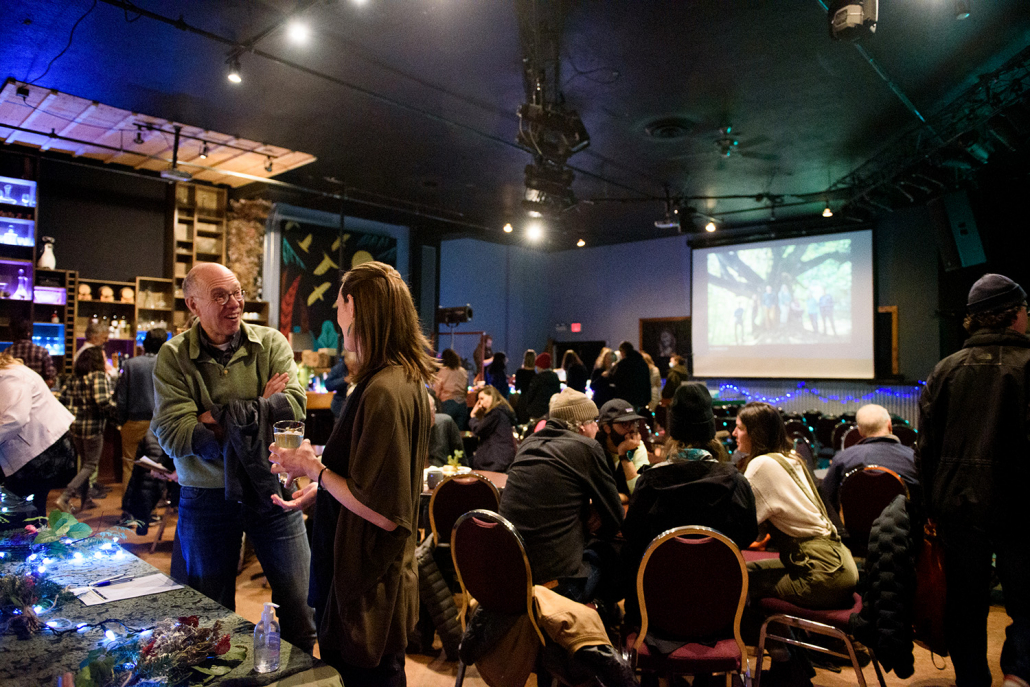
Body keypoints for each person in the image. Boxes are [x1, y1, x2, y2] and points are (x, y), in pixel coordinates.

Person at [268, 261, 434, 685]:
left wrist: (313, 468)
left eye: (338, 303)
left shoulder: (384, 390)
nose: (336, 314)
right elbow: (377, 480)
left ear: (354, 306)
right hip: (369, 579)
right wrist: (321, 490)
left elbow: (384, 511)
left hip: (366, 585)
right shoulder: (402, 379)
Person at [151, 262, 316, 653]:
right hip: (205, 495)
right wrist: (260, 405)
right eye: (220, 296)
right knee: (208, 618)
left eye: (237, 292)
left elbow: (292, 412)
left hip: (273, 489)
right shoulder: (173, 356)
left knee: (302, 607)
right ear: (193, 304)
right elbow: (176, 435)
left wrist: (214, 418)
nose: (235, 303)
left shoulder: (271, 343)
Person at [917, 273, 1030, 687]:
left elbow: (925, 450)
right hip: (1021, 507)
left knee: (964, 606)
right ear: (1014, 314)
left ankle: (972, 681)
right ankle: (1019, 672)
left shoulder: (945, 370)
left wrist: (929, 507)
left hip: (957, 507)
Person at [622, 382, 757, 617]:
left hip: (657, 611)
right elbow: (747, 537)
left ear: (673, 430)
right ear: (710, 429)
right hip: (720, 612)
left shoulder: (648, 483)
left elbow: (632, 535)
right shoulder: (736, 482)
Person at [499, 388, 624, 603]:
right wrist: (589, 515)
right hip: (558, 589)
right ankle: (593, 616)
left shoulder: (528, 443)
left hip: (513, 581)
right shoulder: (587, 447)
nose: (597, 427)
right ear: (582, 425)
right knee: (615, 553)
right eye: (594, 421)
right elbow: (616, 519)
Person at [734, 401, 858, 610]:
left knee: (738, 579)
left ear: (755, 433)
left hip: (822, 575)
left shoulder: (761, 464)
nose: (734, 433)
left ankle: (757, 631)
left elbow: (741, 529)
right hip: (839, 565)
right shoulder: (791, 458)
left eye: (740, 428)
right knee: (749, 570)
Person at [0, 349, 75, 516]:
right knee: (28, 508)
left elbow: (15, 419)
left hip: (42, 450)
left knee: (25, 510)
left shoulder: (10, 376)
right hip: (39, 448)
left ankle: (33, 531)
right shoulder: (9, 372)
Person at [821, 403, 919, 513]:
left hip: (855, 524)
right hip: (906, 523)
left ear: (860, 431)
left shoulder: (842, 459)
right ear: (889, 425)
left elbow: (826, 500)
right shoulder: (913, 458)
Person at [56, 347, 117, 513]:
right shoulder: (98, 376)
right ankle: (65, 496)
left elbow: (61, 398)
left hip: (75, 427)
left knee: (84, 463)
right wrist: (117, 410)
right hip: (92, 426)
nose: (106, 361)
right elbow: (102, 401)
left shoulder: (73, 378)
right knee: (90, 464)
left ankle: (86, 500)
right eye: (104, 358)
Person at [115, 328, 166, 474]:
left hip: (134, 422)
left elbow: (121, 398)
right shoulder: (168, 364)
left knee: (129, 466)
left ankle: (129, 491)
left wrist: (122, 421)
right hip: (160, 424)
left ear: (144, 344)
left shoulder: (130, 364)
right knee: (158, 467)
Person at [596, 399, 650, 500]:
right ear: (607, 428)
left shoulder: (637, 446)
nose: (631, 429)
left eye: (633, 423)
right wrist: (624, 497)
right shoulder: (595, 448)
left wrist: (623, 455)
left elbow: (641, 492)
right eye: (624, 424)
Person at [469, 385, 517, 472]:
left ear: (491, 396)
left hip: (494, 461)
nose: (480, 403)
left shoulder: (495, 413)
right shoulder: (503, 411)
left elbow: (478, 430)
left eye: (482, 398)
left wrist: (473, 417)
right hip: (503, 458)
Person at [6, 317, 56, 387]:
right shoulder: (42, 352)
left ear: (11, 334)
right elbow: (50, 380)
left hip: (14, 392)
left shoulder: (6, 354)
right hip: (37, 392)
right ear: (28, 333)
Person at [518, 351, 560, 423]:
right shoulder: (555, 377)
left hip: (536, 411)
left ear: (540, 366)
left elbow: (531, 394)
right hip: (550, 410)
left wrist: (527, 407)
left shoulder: (538, 378)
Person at [609, 341, 651, 411]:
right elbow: (647, 382)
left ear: (623, 351)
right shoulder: (642, 363)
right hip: (641, 399)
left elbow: (616, 380)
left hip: (626, 399)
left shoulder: (623, 364)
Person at [434, 348, 469, 430]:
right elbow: (466, 389)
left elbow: (436, 391)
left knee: (446, 431)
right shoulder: (463, 371)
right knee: (459, 432)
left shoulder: (443, 371)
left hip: (447, 404)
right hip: (462, 404)